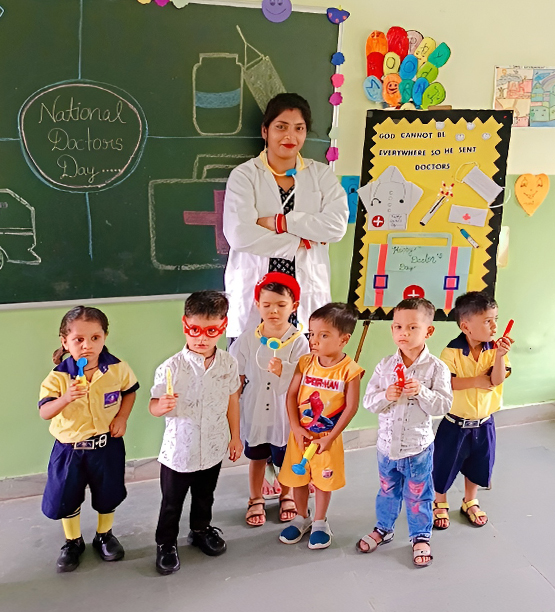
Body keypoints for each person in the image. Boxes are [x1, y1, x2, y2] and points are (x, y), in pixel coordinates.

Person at [223, 92, 349, 341]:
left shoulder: (321, 175)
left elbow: (336, 227)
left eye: (298, 128)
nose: (290, 136)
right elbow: (239, 235)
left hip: (304, 297)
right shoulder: (245, 175)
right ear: (265, 131)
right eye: (281, 127)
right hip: (257, 297)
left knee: (304, 361)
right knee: (249, 360)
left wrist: (280, 222)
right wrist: (299, 241)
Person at [39, 306, 139, 573]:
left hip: (106, 445)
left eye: (95, 338)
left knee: (108, 492)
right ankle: (73, 541)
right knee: (66, 495)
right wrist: (66, 397)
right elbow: (45, 412)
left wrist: (122, 418)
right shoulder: (58, 377)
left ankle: (104, 535)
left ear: (104, 337)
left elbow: (129, 391)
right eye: (79, 340)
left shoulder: (117, 368)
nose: (87, 346)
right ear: (65, 342)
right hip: (69, 449)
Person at [149, 291, 242, 575]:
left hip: (213, 446)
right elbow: (153, 405)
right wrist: (161, 406)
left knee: (205, 495)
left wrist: (235, 436)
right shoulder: (171, 368)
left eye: (211, 331)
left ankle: (200, 530)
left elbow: (232, 401)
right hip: (179, 451)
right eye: (195, 330)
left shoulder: (228, 364)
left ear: (223, 327)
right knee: (172, 503)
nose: (201, 338)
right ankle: (166, 543)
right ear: (184, 325)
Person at [357, 298, 452, 568]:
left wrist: (421, 391)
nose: (403, 333)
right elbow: (369, 402)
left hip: (417, 448)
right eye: (398, 326)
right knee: (387, 490)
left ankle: (420, 536)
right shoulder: (385, 366)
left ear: (428, 331)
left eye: (412, 327)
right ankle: (384, 528)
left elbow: (443, 406)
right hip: (386, 447)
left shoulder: (436, 368)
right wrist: (386, 395)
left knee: (419, 493)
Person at [278, 303, 364, 550]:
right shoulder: (305, 363)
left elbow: (350, 408)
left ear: (344, 339)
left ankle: (319, 521)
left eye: (323, 335)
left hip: (326, 439)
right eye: (312, 333)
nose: (314, 340)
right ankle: (301, 517)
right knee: (298, 479)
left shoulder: (350, 371)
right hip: (300, 436)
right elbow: (291, 395)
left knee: (323, 482)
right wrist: (296, 428)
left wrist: (330, 437)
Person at [230, 272, 309, 526]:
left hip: (284, 412)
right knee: (257, 456)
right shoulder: (247, 339)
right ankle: (255, 498)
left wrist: (283, 369)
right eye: (266, 305)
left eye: (281, 305)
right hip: (254, 409)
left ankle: (286, 494)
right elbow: (236, 375)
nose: (273, 311)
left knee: (284, 457)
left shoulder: (299, 342)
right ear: (257, 305)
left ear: (294, 306)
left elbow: (303, 378)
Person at [432, 291, 513, 530]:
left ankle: (470, 500)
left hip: (484, 423)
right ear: (466, 326)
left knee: (479, 464)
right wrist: (477, 380)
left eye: (495, 319)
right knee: (443, 465)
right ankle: (439, 502)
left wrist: (500, 356)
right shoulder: (451, 352)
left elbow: (496, 380)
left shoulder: (496, 350)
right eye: (487, 321)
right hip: (454, 424)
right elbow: (447, 382)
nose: (494, 326)